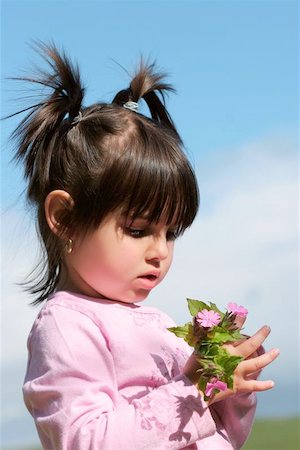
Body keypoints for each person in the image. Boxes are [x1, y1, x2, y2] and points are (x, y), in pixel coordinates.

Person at [9, 42, 279, 450]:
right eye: (138, 230)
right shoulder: (67, 327)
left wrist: (230, 386)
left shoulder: (158, 326)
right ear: (64, 218)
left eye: (170, 233)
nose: (160, 251)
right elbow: (85, 439)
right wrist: (198, 390)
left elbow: (223, 437)